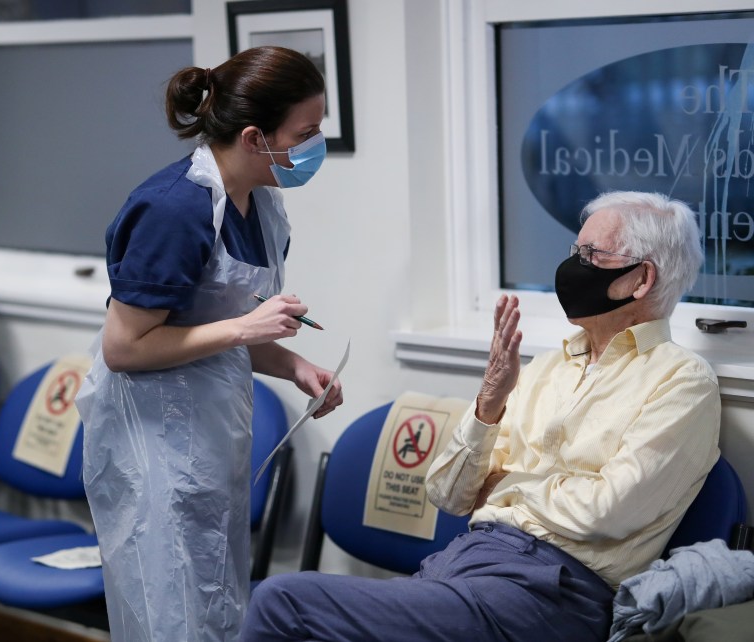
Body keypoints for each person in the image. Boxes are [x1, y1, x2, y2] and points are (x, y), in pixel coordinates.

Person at [242, 191, 720, 642]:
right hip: (464, 564)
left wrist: (507, 487)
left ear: (641, 279)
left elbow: (608, 512)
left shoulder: (681, 382)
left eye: (591, 256)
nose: (574, 266)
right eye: (575, 250)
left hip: (553, 591)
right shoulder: (547, 367)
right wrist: (490, 402)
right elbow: (448, 493)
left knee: (282, 602)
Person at [74, 46, 344, 642]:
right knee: (172, 614)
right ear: (253, 136)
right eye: (306, 132)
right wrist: (248, 330)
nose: (314, 145)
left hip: (210, 430)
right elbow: (126, 348)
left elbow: (219, 326)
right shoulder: (174, 209)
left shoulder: (262, 207)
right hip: (151, 442)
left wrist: (294, 364)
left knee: (217, 606)